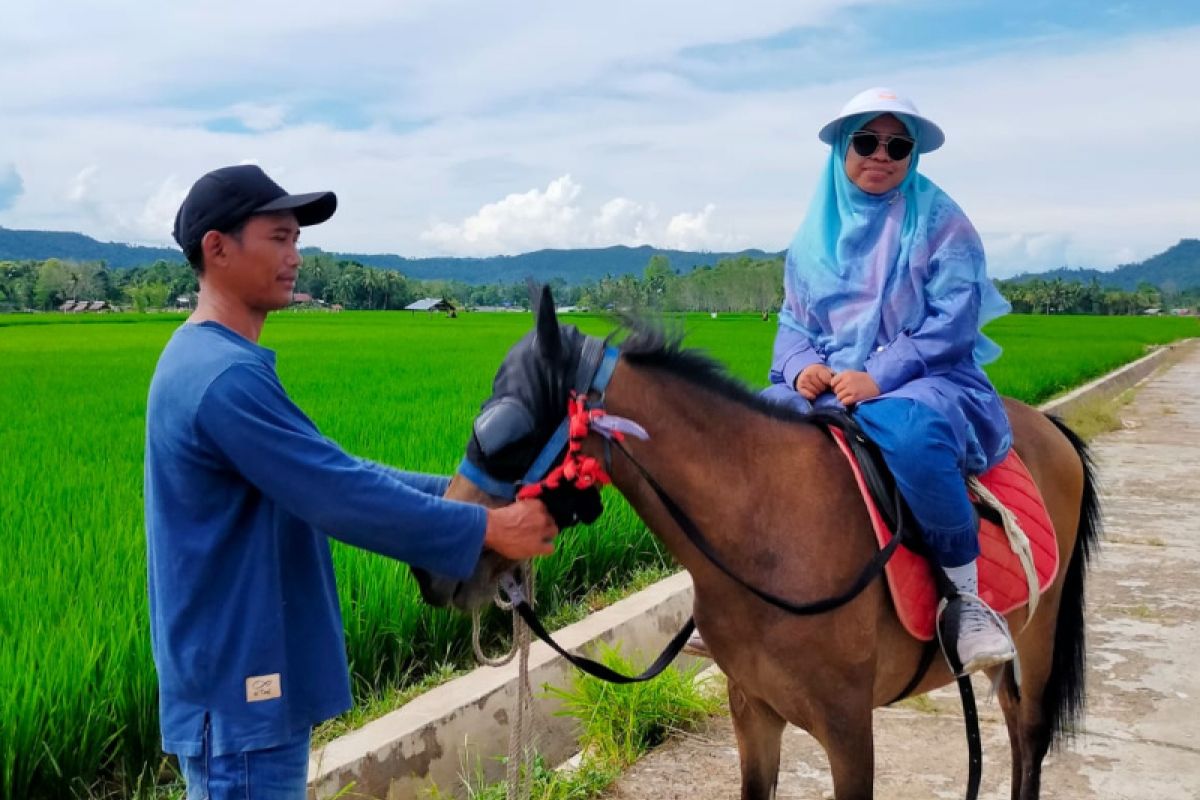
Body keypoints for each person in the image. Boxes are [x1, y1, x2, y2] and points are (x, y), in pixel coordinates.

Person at [145, 164, 559, 800]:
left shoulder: (217, 362)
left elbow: (339, 470)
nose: (296, 257)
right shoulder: (221, 378)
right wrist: (490, 526)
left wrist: (466, 496)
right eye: (279, 238)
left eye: (297, 241)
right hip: (241, 691)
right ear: (217, 247)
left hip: (244, 683)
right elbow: (338, 496)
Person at [690, 88, 1017, 674]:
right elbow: (794, 320)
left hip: (927, 375)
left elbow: (953, 325)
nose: (882, 154)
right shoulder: (813, 238)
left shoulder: (945, 227)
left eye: (898, 144)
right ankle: (730, 590)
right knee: (755, 428)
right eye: (867, 141)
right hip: (834, 375)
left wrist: (878, 375)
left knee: (912, 434)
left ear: (912, 155)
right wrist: (799, 367)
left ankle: (965, 598)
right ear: (843, 149)